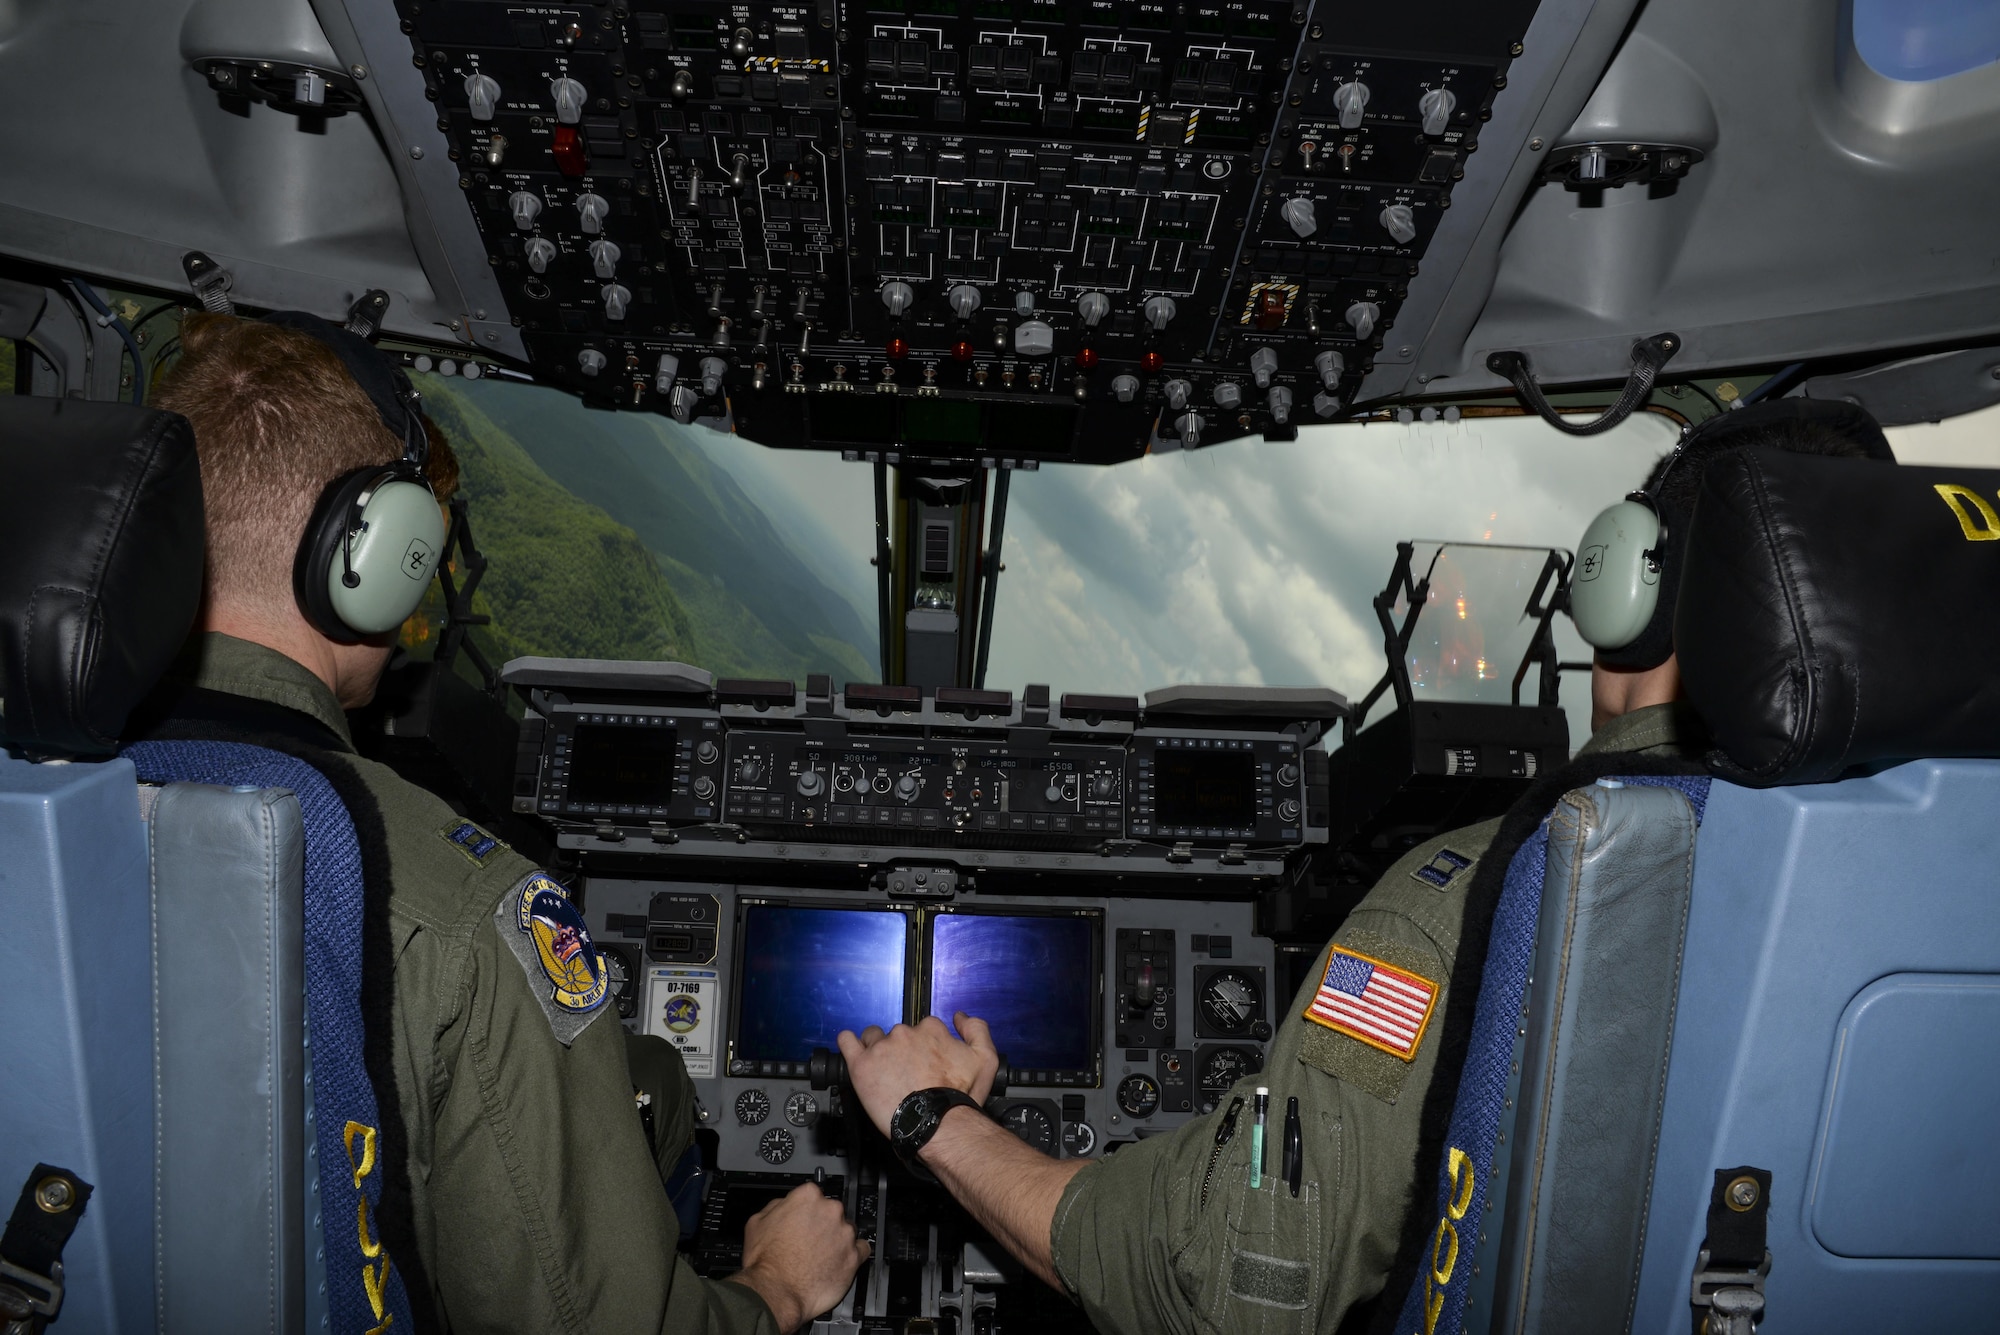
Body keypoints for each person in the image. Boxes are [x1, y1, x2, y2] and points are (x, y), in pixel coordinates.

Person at [836, 400, 1891, 1334]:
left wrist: (935, 1120)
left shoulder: (1499, 896)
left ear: (1629, 590)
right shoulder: (1913, 907)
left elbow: (1221, 1291)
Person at [135, 313, 866, 1334]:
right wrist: (778, 1286)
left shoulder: (35, 773)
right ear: (377, 555)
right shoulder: (462, 909)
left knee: (648, 1072)